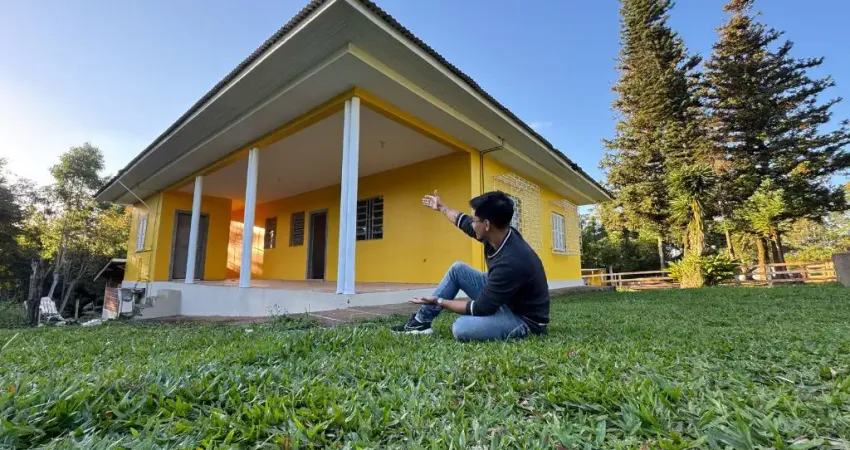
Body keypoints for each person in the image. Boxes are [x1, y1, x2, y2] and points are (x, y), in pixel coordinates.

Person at [391, 190, 550, 341]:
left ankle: (515, 326)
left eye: (475, 220)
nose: (472, 224)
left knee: (461, 327)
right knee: (458, 269)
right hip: (507, 299)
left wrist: (438, 301)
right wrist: (441, 207)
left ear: (487, 224)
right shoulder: (498, 233)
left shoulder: (511, 260)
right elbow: (462, 221)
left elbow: (480, 308)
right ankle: (420, 322)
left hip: (524, 319)